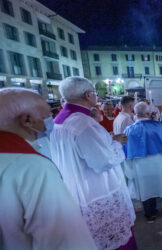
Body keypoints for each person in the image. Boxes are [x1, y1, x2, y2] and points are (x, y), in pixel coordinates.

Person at [0, 88, 97, 250]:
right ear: (27, 120)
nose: (51, 120)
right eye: (47, 115)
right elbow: (65, 239)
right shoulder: (31, 167)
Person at [49, 77, 136, 249]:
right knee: (114, 239)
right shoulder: (84, 123)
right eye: (95, 93)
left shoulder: (59, 120)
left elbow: (83, 150)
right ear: (88, 95)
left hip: (75, 187)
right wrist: (117, 144)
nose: (96, 96)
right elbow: (103, 162)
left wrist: (109, 140)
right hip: (97, 191)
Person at [123, 102, 162, 224]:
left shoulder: (128, 130)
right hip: (160, 164)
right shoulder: (159, 127)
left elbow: (126, 155)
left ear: (135, 114)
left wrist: (130, 172)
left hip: (140, 167)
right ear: (148, 113)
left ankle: (150, 214)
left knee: (146, 190)